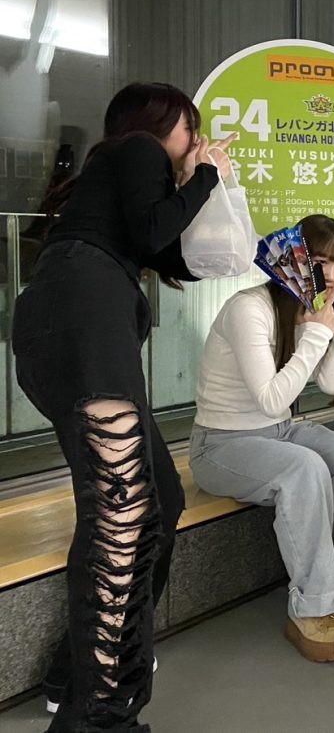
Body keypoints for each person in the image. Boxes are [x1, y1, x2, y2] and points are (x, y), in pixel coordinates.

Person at [12, 83, 233, 730]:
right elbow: (152, 228)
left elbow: (169, 253)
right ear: (160, 125)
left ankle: (79, 674)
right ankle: (99, 715)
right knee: (124, 512)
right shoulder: (136, 149)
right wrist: (206, 176)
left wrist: (206, 189)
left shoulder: (117, 181)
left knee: (157, 497)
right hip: (82, 321)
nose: (195, 142)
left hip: (76, 324)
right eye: (190, 130)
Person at [189, 215, 334, 663]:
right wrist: (318, 332)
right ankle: (313, 605)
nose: (333, 276)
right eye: (321, 262)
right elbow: (272, 399)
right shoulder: (250, 308)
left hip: (280, 432)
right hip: (220, 444)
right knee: (304, 467)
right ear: (293, 261)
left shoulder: (312, 310)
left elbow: (333, 385)